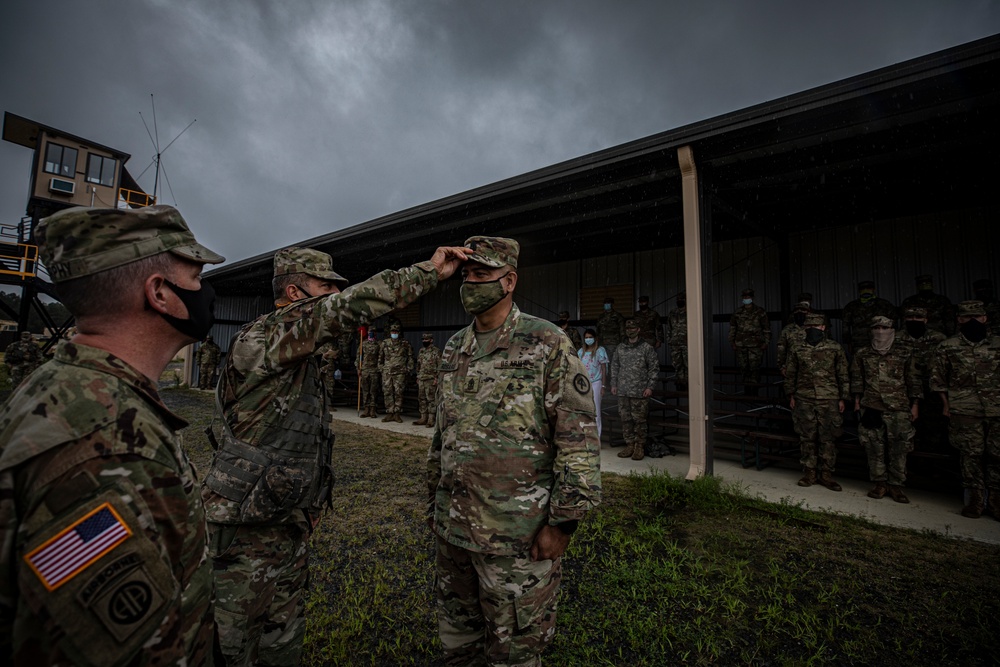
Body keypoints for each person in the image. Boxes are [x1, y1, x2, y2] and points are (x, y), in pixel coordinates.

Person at [204, 243, 469, 666]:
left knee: (281, 639)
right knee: (231, 646)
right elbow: (352, 306)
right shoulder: (270, 335)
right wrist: (430, 272)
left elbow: (302, 436)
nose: (334, 294)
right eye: (325, 286)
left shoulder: (300, 350)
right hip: (244, 527)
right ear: (295, 294)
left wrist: (311, 499)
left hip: (284, 518)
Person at [0, 205, 224, 664]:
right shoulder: (105, 446)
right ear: (160, 293)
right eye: (196, 277)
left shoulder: (70, 388)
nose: (206, 292)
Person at [427, 236, 601, 667]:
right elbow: (441, 432)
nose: (471, 284)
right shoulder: (454, 347)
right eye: (467, 276)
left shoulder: (547, 342)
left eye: (482, 275)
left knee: (515, 652)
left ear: (509, 282)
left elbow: (578, 440)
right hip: (455, 529)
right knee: (457, 642)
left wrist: (564, 524)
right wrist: (434, 497)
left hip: (517, 536)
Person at [929, 300, 1000, 519]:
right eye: (967, 317)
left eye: (976, 317)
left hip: (996, 409)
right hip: (964, 409)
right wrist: (946, 405)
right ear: (959, 320)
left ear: (985, 318)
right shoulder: (948, 347)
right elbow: (937, 380)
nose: (972, 321)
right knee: (971, 454)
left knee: (997, 454)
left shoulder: (997, 344)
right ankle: (975, 500)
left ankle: (997, 500)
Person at [849, 316, 922, 503]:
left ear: (892, 330)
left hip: (898, 407)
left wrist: (915, 405)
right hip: (872, 406)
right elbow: (857, 379)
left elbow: (913, 380)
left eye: (884, 327)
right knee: (874, 447)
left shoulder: (904, 352)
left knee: (899, 447)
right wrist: (857, 401)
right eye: (876, 327)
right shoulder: (863, 353)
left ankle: (896, 486)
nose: (880, 331)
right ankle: (880, 483)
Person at [785, 312, 850, 491]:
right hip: (804, 398)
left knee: (828, 438)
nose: (812, 329)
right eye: (808, 327)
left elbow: (843, 374)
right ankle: (810, 472)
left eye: (816, 326)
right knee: (807, 437)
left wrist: (843, 398)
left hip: (829, 399)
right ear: (805, 328)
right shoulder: (797, 348)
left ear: (823, 327)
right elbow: (791, 373)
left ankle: (827, 474)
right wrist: (791, 395)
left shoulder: (834, 348)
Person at [895, 306, 948, 453]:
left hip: (933, 389)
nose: (914, 321)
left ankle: (933, 463)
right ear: (904, 319)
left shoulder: (938, 339)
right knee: (908, 427)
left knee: (933, 426)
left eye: (918, 318)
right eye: (910, 318)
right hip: (906, 390)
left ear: (925, 320)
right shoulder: (896, 338)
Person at [610, 318, 660, 460]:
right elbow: (614, 366)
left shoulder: (646, 348)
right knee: (625, 420)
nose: (630, 331)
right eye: (628, 329)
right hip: (623, 391)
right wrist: (613, 384)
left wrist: (650, 386)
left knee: (639, 421)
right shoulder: (620, 347)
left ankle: (639, 447)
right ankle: (630, 445)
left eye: (633, 328)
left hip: (640, 391)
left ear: (638, 329)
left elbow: (654, 368)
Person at [729, 288, 770, 394]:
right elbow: (733, 327)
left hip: (756, 345)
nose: (746, 298)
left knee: (754, 367)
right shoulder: (738, 312)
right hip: (741, 345)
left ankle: (754, 391)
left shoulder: (760, 312)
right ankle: (747, 390)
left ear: (752, 297)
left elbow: (766, 328)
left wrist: (766, 342)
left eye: (748, 297)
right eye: (745, 297)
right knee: (744, 368)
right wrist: (732, 342)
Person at [841, 280, 898, 357]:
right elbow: (845, 326)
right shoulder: (851, 306)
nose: (866, 290)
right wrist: (848, 343)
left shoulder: (884, 305)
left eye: (869, 288)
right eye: (863, 288)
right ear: (859, 291)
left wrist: (894, 340)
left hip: (882, 341)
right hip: (859, 342)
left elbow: (894, 324)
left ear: (873, 290)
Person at [378, 322, 414, 423]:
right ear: (390, 332)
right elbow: (380, 357)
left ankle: (397, 413)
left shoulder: (405, 343)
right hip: (387, 372)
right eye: (393, 331)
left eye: (396, 331)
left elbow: (410, 357)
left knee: (399, 392)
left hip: (400, 373)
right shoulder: (384, 343)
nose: (394, 333)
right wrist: (381, 368)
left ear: (399, 332)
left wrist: (408, 369)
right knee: (387, 392)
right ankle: (390, 413)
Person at [578, 328, 609, 439]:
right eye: (586, 337)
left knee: (595, 410)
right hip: (583, 384)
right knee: (583, 409)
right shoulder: (581, 351)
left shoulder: (600, 350)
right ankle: (585, 435)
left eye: (590, 337)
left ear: (595, 338)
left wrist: (603, 385)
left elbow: (604, 369)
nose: (588, 339)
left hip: (596, 382)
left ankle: (597, 437)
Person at [776, 298, 811, 376]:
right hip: (791, 367)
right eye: (797, 311)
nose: (799, 312)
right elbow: (781, 349)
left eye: (802, 310)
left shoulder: (814, 328)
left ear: (808, 312)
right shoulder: (787, 330)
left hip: (810, 367)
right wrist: (781, 366)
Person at [413, 331, 441, 427]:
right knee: (421, 399)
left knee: (431, 399)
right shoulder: (421, 351)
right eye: (423, 339)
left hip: (431, 379)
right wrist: (418, 376)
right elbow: (419, 365)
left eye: (426, 339)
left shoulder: (436, 351)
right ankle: (423, 417)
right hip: (421, 378)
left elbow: (440, 366)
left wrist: (437, 378)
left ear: (431, 340)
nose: (424, 341)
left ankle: (431, 419)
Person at [665, 292, 688, 390]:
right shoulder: (672, 313)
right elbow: (669, 328)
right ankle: (680, 382)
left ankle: (688, 383)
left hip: (687, 344)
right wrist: (669, 340)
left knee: (688, 364)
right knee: (677, 364)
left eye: (681, 299)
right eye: (678, 300)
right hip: (675, 343)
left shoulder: (690, 311)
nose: (679, 301)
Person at [356, 327, 380, 417]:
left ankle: (373, 409)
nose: (371, 333)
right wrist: (358, 368)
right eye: (370, 331)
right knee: (365, 390)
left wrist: (379, 368)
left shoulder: (378, 344)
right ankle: (366, 409)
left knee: (373, 390)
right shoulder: (363, 343)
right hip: (365, 369)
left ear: (375, 333)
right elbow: (359, 357)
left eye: (373, 332)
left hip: (374, 370)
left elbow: (381, 357)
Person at [596, 296, 626, 362]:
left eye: (608, 303)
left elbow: (622, 330)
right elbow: (598, 330)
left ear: (612, 304)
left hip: (614, 343)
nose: (606, 304)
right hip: (602, 343)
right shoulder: (601, 316)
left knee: (613, 362)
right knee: (603, 362)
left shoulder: (617, 316)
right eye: (605, 303)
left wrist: (622, 342)